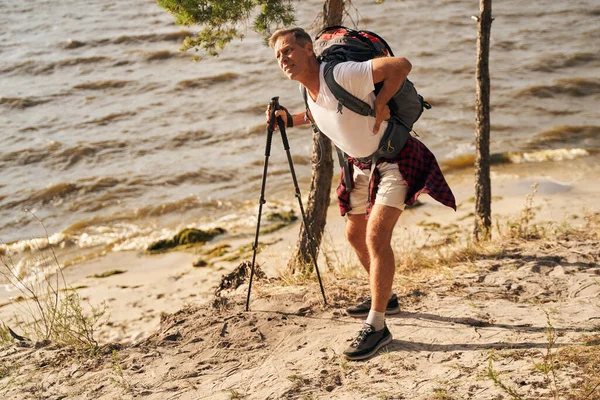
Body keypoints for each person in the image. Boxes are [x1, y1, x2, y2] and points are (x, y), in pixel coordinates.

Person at [266, 27, 456, 360]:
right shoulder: (305, 88)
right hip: (359, 165)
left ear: (309, 49)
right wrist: (288, 120)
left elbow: (401, 65)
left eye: (289, 51)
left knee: (376, 237)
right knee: (354, 235)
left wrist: (382, 102)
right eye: (278, 55)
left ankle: (378, 326)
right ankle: (386, 296)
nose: (284, 59)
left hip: (395, 157)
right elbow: (321, 112)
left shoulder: (342, 73)